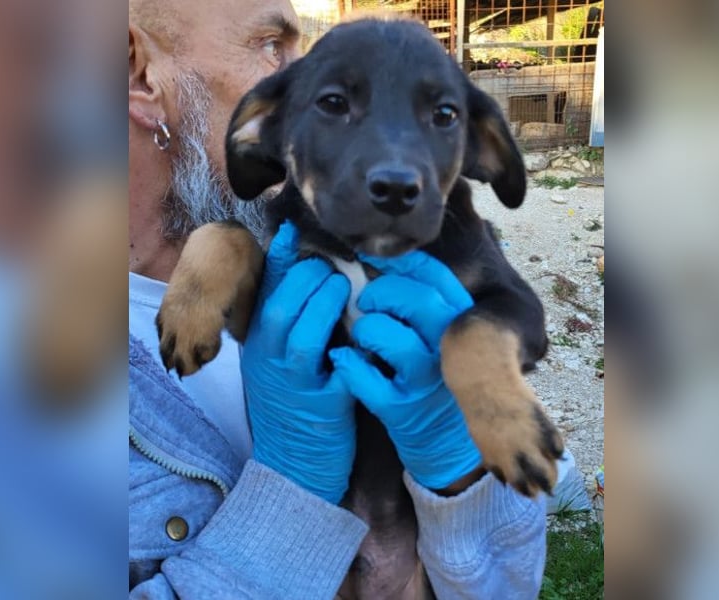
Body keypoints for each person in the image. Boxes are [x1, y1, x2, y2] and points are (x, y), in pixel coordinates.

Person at [128, 0, 548, 597]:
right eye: (273, 45)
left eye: (442, 114)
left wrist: (463, 472)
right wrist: (291, 486)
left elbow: (508, 585)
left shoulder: (454, 247)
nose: (397, 166)